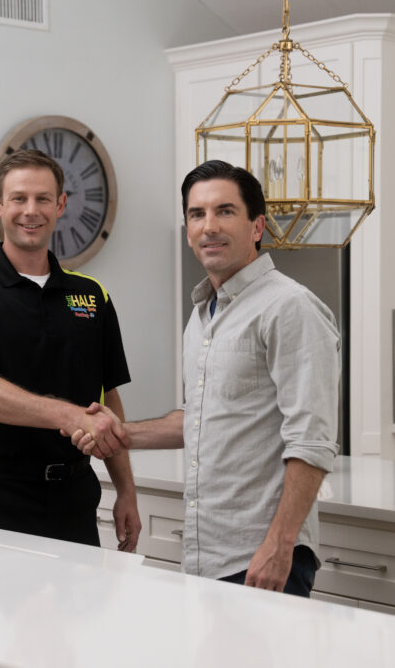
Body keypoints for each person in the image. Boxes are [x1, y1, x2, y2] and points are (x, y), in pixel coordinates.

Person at [72, 160, 339, 595]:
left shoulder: (290, 307)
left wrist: (279, 545)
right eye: (197, 214)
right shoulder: (203, 315)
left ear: (257, 226)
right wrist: (119, 433)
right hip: (206, 552)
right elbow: (199, 418)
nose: (209, 226)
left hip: (261, 556)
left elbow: (312, 440)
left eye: (225, 211)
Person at [0, 149, 140, 551]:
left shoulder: (92, 295)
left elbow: (108, 397)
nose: (31, 210)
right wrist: (67, 414)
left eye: (43, 198)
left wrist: (126, 490)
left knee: (79, 614)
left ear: (60, 204)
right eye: (19, 198)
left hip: (76, 493)